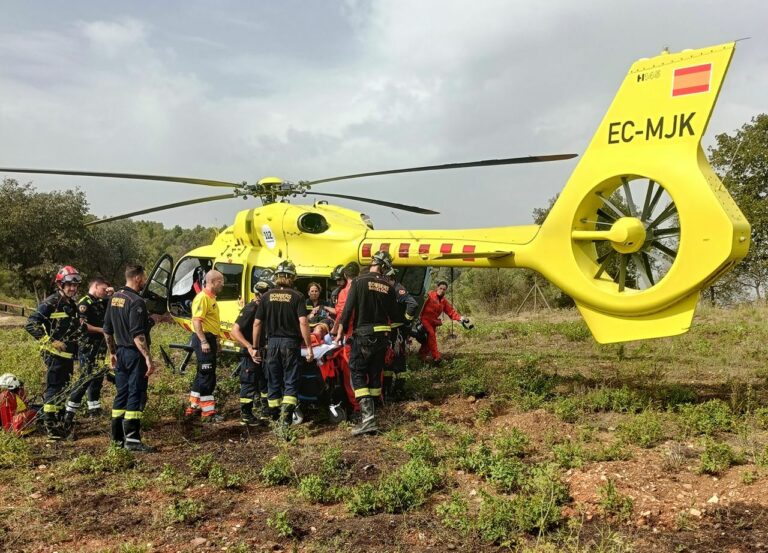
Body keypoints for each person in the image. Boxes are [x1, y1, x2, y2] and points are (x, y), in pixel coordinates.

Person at [336, 251, 399, 436]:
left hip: (363, 335)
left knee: (356, 373)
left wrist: (340, 329)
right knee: (374, 375)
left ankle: (368, 419)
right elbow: (395, 316)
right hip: (382, 337)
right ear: (385, 267)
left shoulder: (358, 281)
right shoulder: (388, 286)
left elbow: (348, 309)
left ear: (373, 262)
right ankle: (372, 416)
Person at [253, 261, 313, 439]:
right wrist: (309, 347)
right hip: (290, 344)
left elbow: (257, 323)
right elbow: (303, 322)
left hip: (271, 345)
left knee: (273, 382)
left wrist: (255, 347)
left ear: (277, 277)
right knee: (290, 382)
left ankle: (274, 421)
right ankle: (284, 425)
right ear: (291, 277)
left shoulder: (266, 296)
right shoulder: (297, 296)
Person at [25, 266, 83, 441]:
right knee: (54, 389)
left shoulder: (71, 304)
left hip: (67, 357)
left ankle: (58, 424)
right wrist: (50, 341)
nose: (72, 289)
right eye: (68, 285)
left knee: (63, 390)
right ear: (60, 284)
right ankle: (51, 429)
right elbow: (31, 324)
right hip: (54, 356)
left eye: (75, 285)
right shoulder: (51, 302)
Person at [103, 264, 156, 452]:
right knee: (136, 392)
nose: (144, 281)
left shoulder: (115, 298)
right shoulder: (136, 301)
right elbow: (137, 334)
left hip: (120, 353)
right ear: (137, 278)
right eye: (144, 278)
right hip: (134, 354)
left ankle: (117, 438)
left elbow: (107, 330)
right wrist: (148, 358)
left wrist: (112, 352)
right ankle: (132, 440)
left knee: (122, 393)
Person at [62, 277, 110, 438]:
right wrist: (101, 330)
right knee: (85, 378)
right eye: (104, 289)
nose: (105, 292)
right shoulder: (85, 303)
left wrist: (112, 293)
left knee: (97, 376)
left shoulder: (101, 301)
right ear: (95, 286)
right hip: (88, 346)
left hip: (100, 346)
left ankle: (94, 408)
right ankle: (69, 413)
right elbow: (82, 325)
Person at [230, 271, 275, 426]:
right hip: (250, 353)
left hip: (262, 352)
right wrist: (249, 347)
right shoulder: (250, 309)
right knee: (248, 383)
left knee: (264, 382)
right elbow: (234, 331)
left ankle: (265, 412)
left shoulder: (264, 309)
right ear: (260, 295)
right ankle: (246, 415)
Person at [185, 270, 225, 421]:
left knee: (202, 374)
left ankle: (193, 407)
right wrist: (204, 341)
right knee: (207, 375)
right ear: (213, 282)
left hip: (210, 339)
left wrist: (217, 341)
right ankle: (208, 412)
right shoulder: (202, 298)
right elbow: (197, 321)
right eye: (221, 281)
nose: (223, 284)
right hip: (204, 339)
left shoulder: (211, 298)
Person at [383, 268, 419, 398]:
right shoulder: (389, 290)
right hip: (389, 330)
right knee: (387, 359)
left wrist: (406, 320)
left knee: (398, 359)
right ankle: (387, 388)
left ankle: (399, 389)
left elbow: (412, 304)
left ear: (389, 278)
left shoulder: (398, 289)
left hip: (397, 330)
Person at [418, 280, 471, 365]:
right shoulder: (429, 295)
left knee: (428, 340)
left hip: (433, 322)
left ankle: (421, 356)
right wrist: (417, 317)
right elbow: (420, 305)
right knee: (431, 335)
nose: (442, 290)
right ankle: (436, 357)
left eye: (444, 289)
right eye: (440, 288)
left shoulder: (443, 301)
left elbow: (451, 312)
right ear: (437, 288)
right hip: (425, 319)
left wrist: (460, 318)